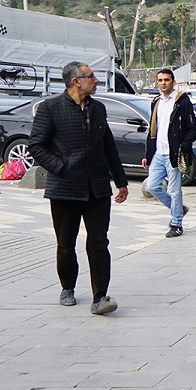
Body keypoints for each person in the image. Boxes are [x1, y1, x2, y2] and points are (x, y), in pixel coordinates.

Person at [27, 61, 130, 315]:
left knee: (98, 242)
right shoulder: (50, 108)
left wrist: (121, 180)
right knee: (65, 243)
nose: (96, 80)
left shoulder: (99, 109)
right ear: (76, 81)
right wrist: (61, 167)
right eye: (91, 76)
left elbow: (108, 146)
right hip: (64, 188)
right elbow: (36, 146)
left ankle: (100, 297)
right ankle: (67, 287)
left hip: (97, 188)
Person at [143, 69, 196, 238]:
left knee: (175, 190)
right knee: (152, 186)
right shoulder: (156, 102)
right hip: (158, 153)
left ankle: (176, 224)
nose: (163, 83)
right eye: (160, 80)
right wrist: (148, 154)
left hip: (174, 153)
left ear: (173, 82)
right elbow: (153, 130)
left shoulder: (182, 101)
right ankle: (179, 209)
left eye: (166, 80)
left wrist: (184, 146)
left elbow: (193, 128)